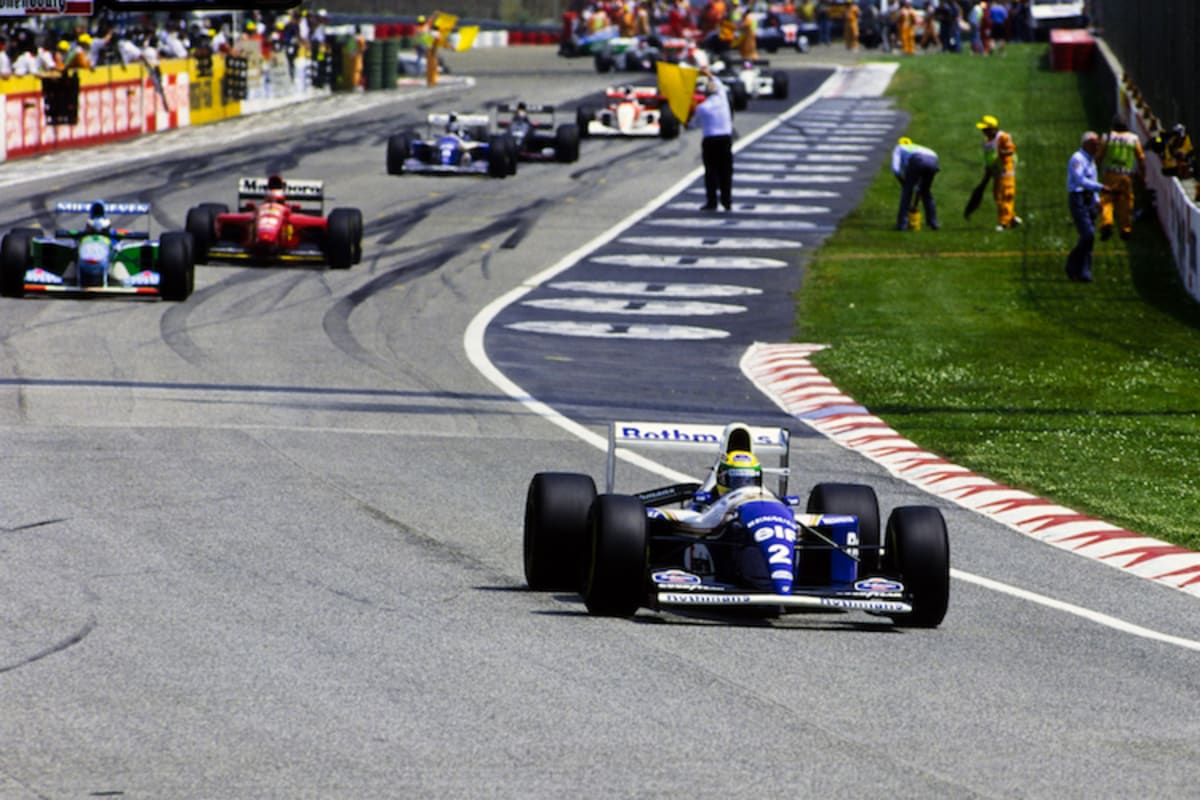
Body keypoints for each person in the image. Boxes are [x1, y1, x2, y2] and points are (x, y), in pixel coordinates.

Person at [689, 66, 734, 211]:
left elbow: (693, 124)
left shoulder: (702, 107)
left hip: (710, 141)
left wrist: (686, 122)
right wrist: (708, 73)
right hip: (725, 139)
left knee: (711, 172)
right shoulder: (723, 100)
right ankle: (727, 201)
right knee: (726, 171)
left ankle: (712, 201)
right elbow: (718, 83)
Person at [1065, 132, 1106, 283]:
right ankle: (1072, 264)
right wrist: (1101, 188)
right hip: (1078, 198)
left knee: (1089, 237)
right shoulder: (1078, 159)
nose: (1098, 147)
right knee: (1087, 234)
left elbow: (1093, 178)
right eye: (1095, 144)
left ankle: (1084, 272)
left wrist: (1097, 200)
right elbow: (1080, 180)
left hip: (1089, 199)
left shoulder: (1091, 161)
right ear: (1086, 144)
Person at [1097, 115, 1145, 241]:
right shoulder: (1133, 139)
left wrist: (1096, 168)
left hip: (1110, 174)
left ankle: (1107, 223)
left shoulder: (1108, 137)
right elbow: (1141, 157)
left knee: (1107, 200)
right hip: (1126, 176)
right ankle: (1126, 228)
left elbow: (1099, 155)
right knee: (1126, 201)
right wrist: (1142, 172)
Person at [976, 114, 1021, 230]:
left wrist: (1001, 154)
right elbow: (988, 158)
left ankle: (1004, 223)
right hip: (996, 172)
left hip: (1006, 171)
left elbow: (1011, 150)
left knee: (1006, 196)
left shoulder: (1003, 137)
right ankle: (1012, 218)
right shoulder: (986, 142)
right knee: (997, 196)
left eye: (985, 129)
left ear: (993, 129)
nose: (983, 131)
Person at [892, 137, 940, 231]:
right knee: (926, 192)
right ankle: (933, 222)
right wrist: (915, 205)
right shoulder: (916, 148)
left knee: (907, 193)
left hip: (918, 160)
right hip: (933, 160)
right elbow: (919, 187)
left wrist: (904, 184)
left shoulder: (899, 148)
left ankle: (902, 224)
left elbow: (896, 170)